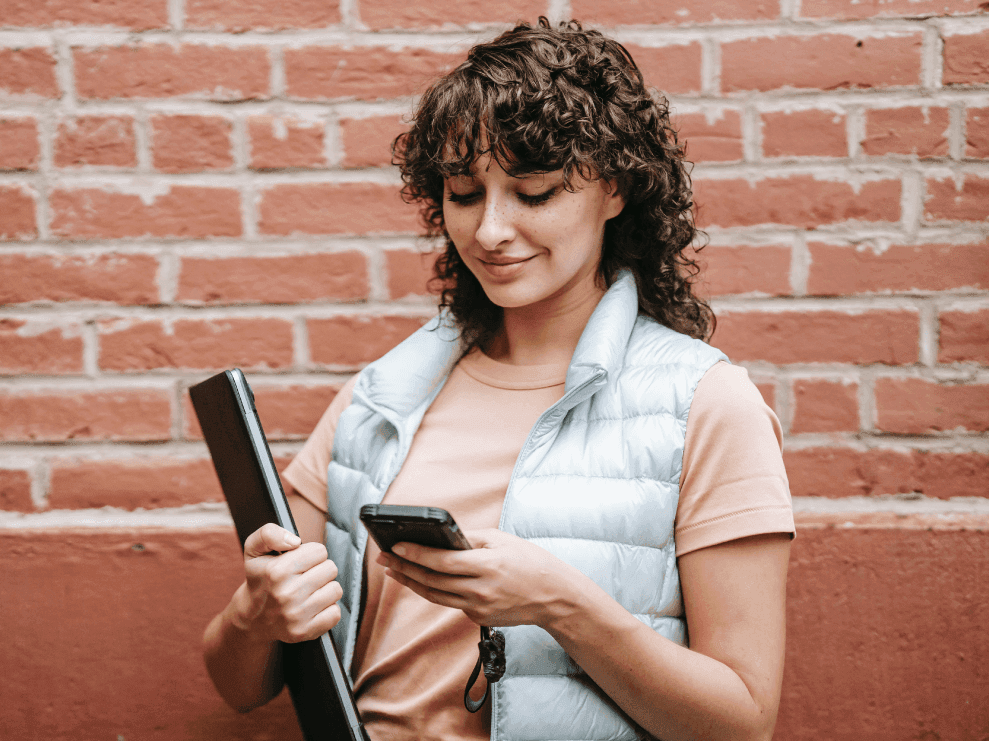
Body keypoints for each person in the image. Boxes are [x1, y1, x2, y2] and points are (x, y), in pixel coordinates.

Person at [202, 17, 794, 741]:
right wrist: (253, 614)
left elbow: (740, 722)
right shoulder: (379, 398)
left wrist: (561, 603)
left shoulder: (704, 402)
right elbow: (240, 684)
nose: (489, 230)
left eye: (534, 192)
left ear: (614, 191)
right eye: (463, 192)